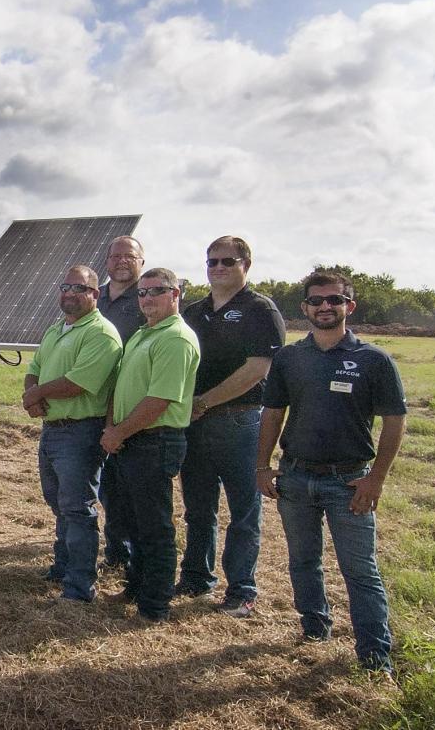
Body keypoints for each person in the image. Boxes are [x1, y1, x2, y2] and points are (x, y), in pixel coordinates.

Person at [257, 269, 405, 675]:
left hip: (349, 482)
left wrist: (376, 479)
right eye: (316, 300)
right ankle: (313, 627)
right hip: (295, 477)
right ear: (305, 308)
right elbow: (273, 413)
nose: (325, 306)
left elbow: (395, 422)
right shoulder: (289, 358)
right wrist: (262, 465)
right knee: (303, 561)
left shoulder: (374, 360)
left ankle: (374, 658)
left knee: (360, 571)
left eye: (334, 300)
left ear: (349, 306)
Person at [176, 236, 286, 618]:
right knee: (198, 508)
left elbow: (257, 369)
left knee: (243, 511)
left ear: (246, 265)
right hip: (194, 423)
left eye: (227, 261)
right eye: (212, 262)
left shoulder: (260, 309)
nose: (218, 268)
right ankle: (196, 577)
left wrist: (205, 401)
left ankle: (241, 590)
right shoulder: (194, 311)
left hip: (240, 421)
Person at [100, 268, 200, 622]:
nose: (147, 299)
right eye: (142, 293)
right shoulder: (144, 333)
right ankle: (136, 588)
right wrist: (113, 427)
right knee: (134, 523)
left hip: (154, 441)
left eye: (156, 291)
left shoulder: (175, 338)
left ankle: (154, 605)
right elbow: (121, 386)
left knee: (155, 528)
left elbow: (159, 400)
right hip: (129, 440)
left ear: (176, 294)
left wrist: (119, 432)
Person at [23, 265, 122, 603]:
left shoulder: (101, 333)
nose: (69, 293)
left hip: (81, 432)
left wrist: (36, 395)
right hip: (53, 429)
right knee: (58, 502)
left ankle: (79, 586)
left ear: (95, 294)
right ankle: (62, 567)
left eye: (79, 288)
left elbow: (79, 382)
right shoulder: (56, 328)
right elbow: (34, 368)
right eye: (65, 286)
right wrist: (32, 395)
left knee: (78, 508)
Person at [97, 236, 148, 571]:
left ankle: (129, 554)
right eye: (116, 256)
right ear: (107, 261)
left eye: (130, 256)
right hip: (94, 401)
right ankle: (116, 551)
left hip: (131, 404)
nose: (122, 261)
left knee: (130, 487)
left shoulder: (148, 297)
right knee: (106, 485)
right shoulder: (94, 296)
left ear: (141, 262)